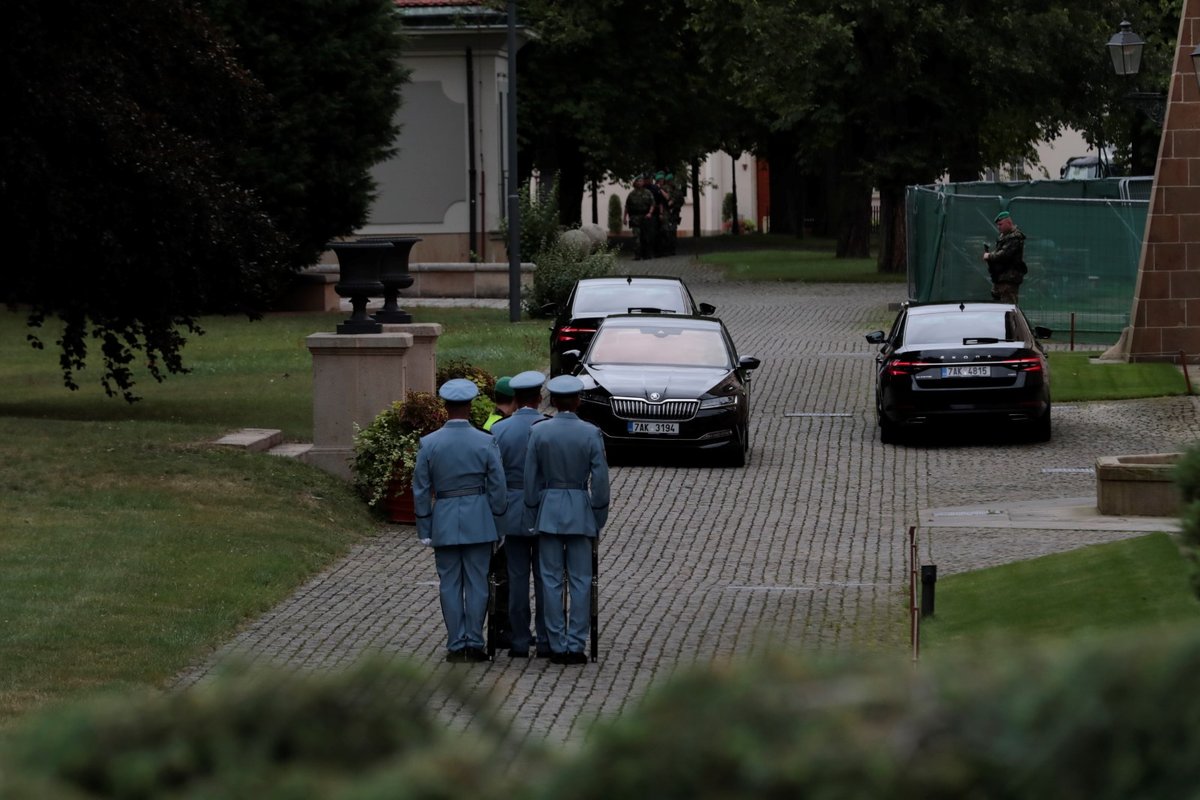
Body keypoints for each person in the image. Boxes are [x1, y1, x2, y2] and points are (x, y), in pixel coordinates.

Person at [412, 378, 508, 663]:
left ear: (445, 407)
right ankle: (474, 642)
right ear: (468, 406)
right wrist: (498, 522)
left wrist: (424, 525)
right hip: (479, 518)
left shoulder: (429, 443)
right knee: (477, 582)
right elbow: (498, 486)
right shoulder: (486, 440)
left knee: (449, 583)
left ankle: (456, 643)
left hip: (443, 517)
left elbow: (419, 488)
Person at [524, 374, 609, 665]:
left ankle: (556, 643)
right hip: (579, 509)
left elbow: (530, 479)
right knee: (582, 580)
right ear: (577, 400)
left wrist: (533, 511)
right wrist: (598, 515)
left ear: (554, 402)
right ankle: (576, 644)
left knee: (549, 581)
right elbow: (600, 482)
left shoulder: (539, 432)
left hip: (549, 509)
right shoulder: (591, 433)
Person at [490, 370, 550, 658]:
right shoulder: (548, 427)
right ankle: (547, 636)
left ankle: (518, 639)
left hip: (511, 510)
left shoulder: (499, 430)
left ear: (515, 399)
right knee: (545, 577)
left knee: (515, 578)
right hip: (543, 508)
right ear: (539, 398)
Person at [983, 210, 1027, 304]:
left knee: (1008, 308)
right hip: (1000, 277)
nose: (999, 227)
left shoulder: (1015, 237)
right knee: (997, 306)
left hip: (1009, 278)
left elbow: (1004, 254)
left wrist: (989, 256)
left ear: (1008, 222)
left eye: (1001, 224)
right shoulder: (1004, 236)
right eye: (998, 225)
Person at [624, 175, 655, 260]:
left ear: (643, 182)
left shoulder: (648, 193)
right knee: (636, 237)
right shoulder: (631, 194)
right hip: (635, 218)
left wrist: (650, 213)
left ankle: (646, 254)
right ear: (635, 183)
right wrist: (624, 218)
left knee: (646, 237)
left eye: (641, 181)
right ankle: (637, 255)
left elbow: (652, 204)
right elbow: (627, 207)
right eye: (638, 181)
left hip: (645, 217)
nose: (640, 183)